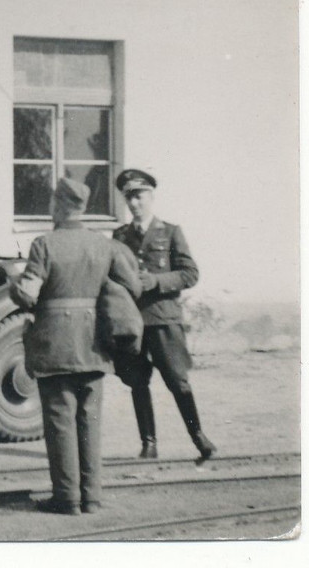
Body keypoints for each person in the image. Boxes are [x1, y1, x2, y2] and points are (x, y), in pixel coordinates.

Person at [10, 177, 142, 515]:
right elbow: (133, 287)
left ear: (57, 205)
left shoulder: (44, 244)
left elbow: (28, 293)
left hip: (54, 345)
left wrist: (13, 285)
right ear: (82, 208)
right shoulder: (103, 245)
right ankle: (92, 498)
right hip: (95, 344)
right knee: (89, 420)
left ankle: (66, 498)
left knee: (59, 420)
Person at [112, 169, 215, 463]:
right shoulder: (120, 236)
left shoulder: (170, 232)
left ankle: (199, 438)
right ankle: (149, 443)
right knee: (137, 382)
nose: (134, 203)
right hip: (132, 323)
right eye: (128, 197)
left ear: (151, 197)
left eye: (139, 196)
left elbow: (190, 274)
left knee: (178, 382)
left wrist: (156, 282)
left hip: (164, 321)